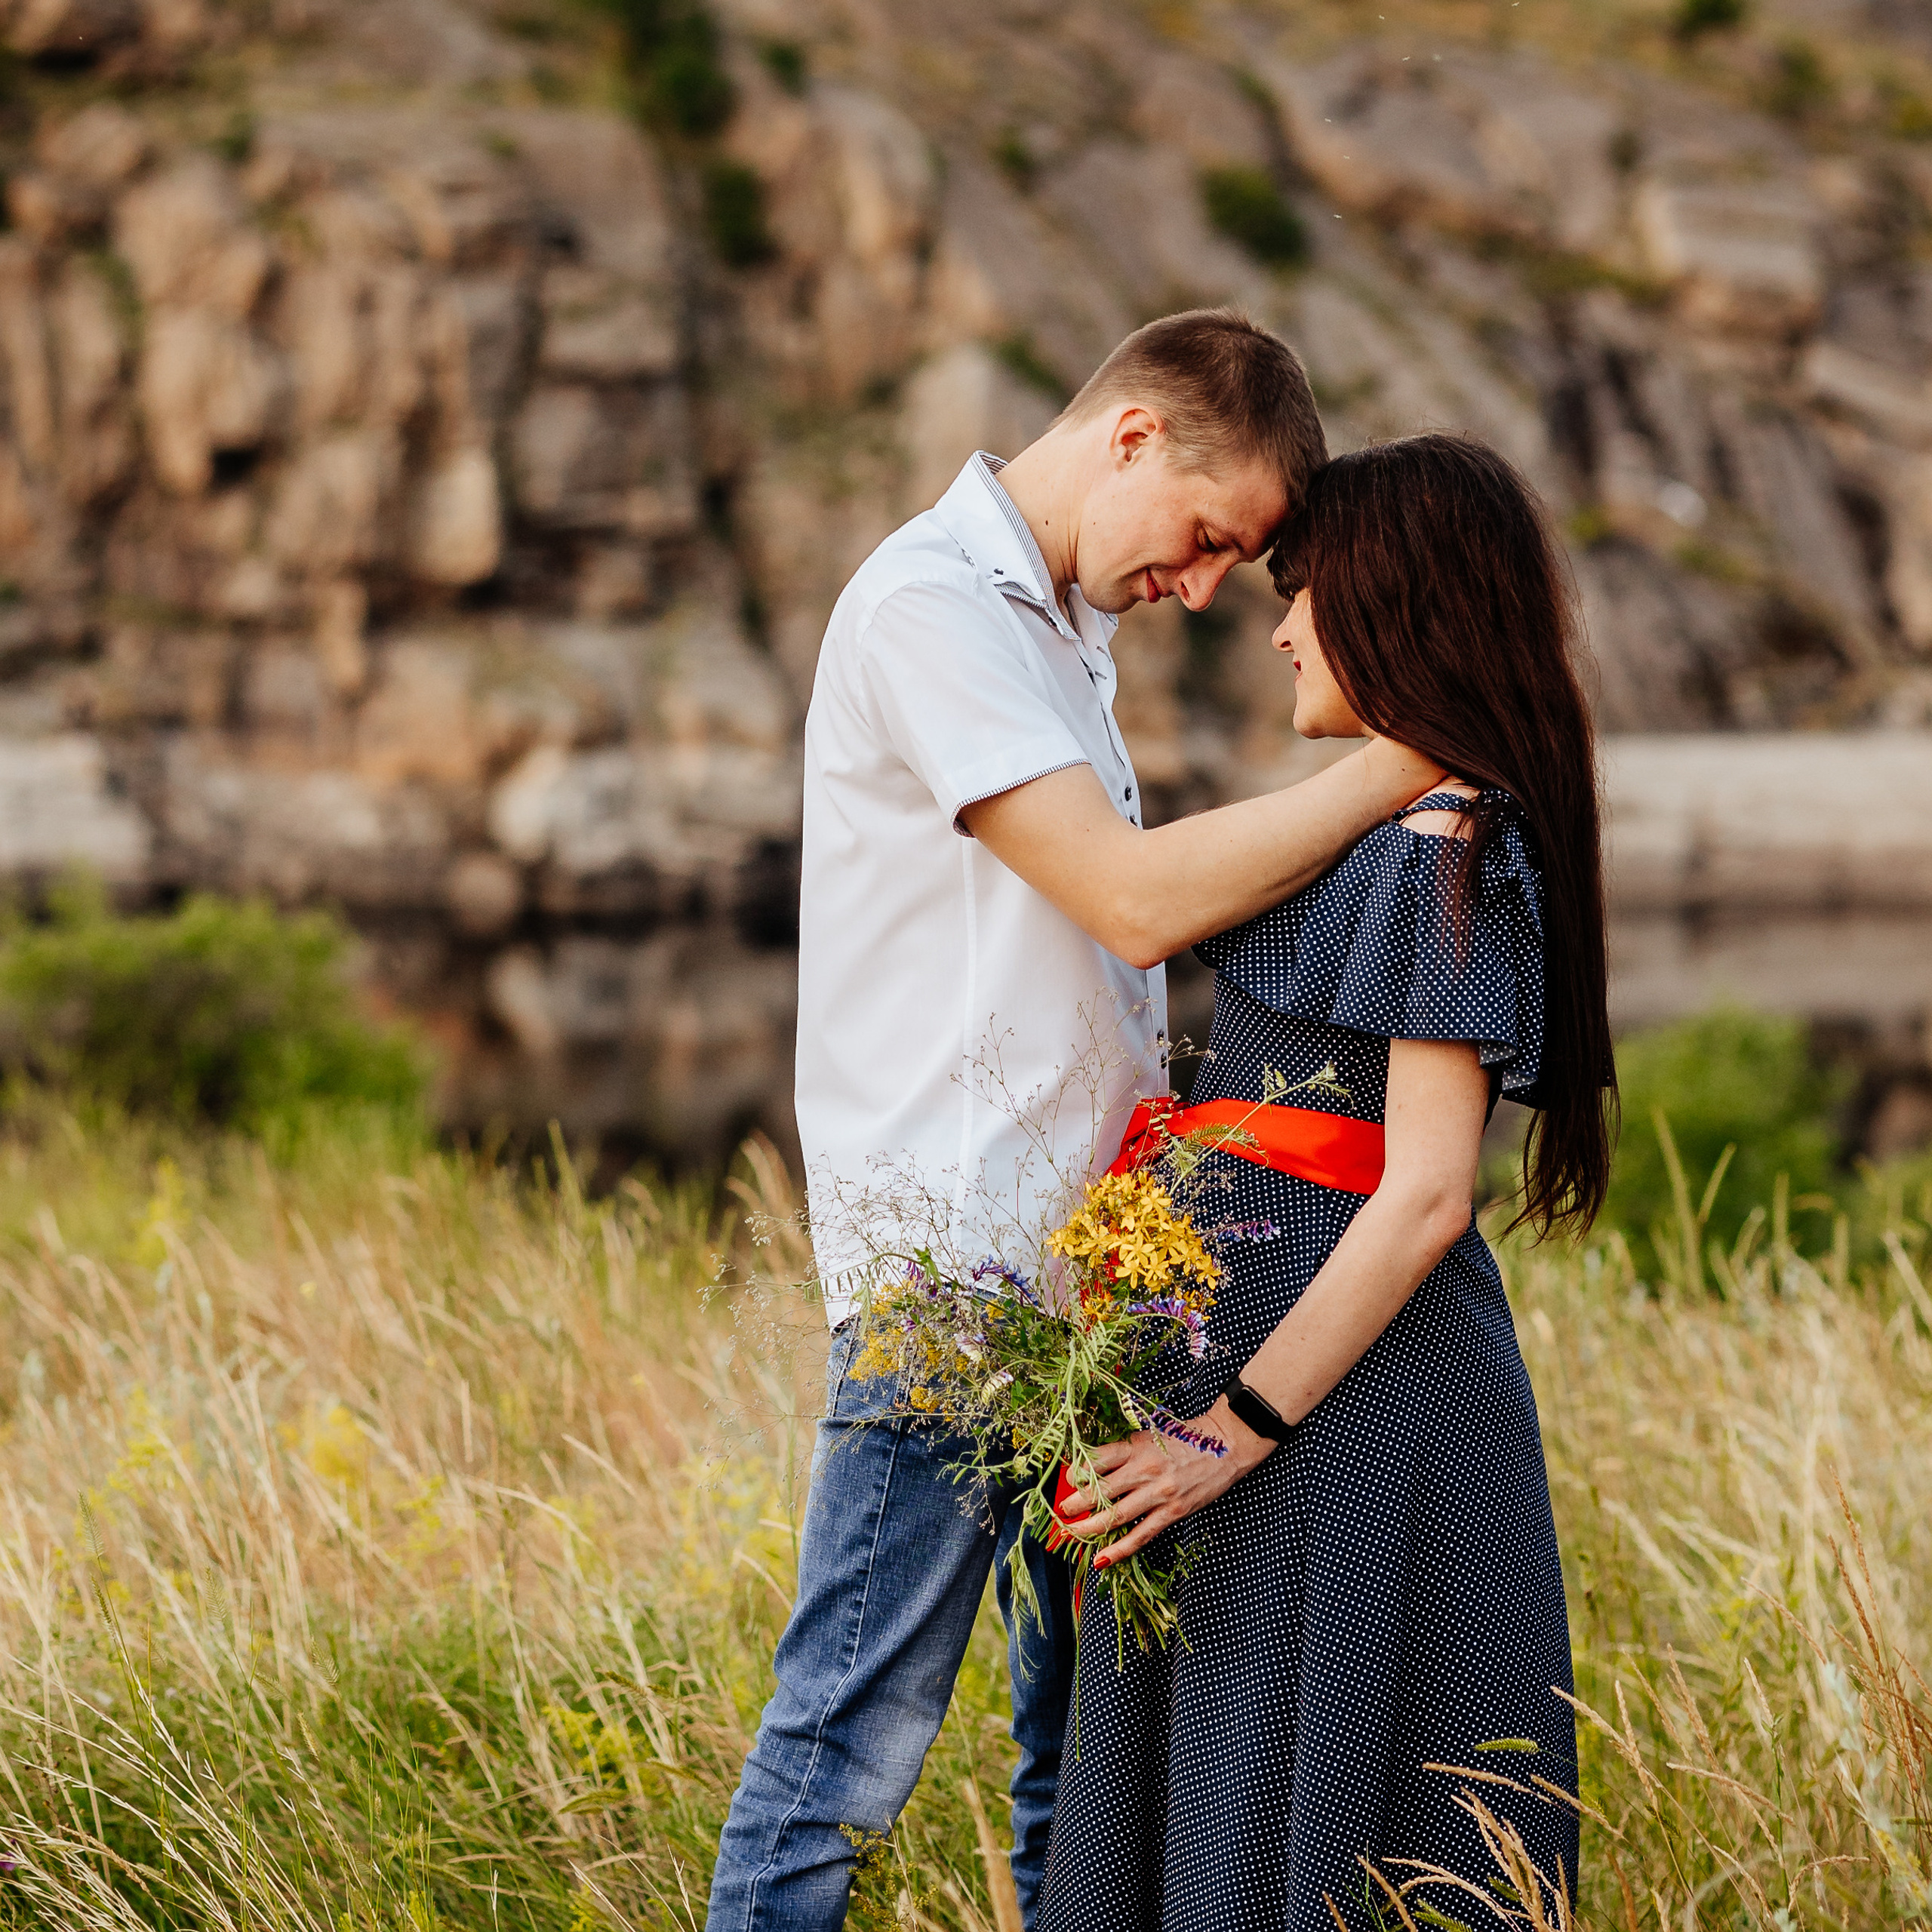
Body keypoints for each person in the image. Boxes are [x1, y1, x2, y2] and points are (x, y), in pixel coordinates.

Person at [704, 310, 1443, 1932]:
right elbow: (1124, 903)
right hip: (956, 1286)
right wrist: (1402, 764)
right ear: (1126, 437)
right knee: (841, 1751)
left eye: (1228, 565)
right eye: (1200, 539)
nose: (1195, 590)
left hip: (1087, 1286)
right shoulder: (928, 609)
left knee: (1077, 1766)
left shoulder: (1054, 634)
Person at [1041, 433, 1615, 1931]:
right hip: (1284, 1392)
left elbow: (1428, 1190)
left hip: (1338, 1411)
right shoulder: (1393, 820)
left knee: (1310, 1809)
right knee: (1235, 1799)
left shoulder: (1449, 844)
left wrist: (1225, 1430)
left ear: (1395, 603)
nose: (1279, 623)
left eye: (1304, 591)